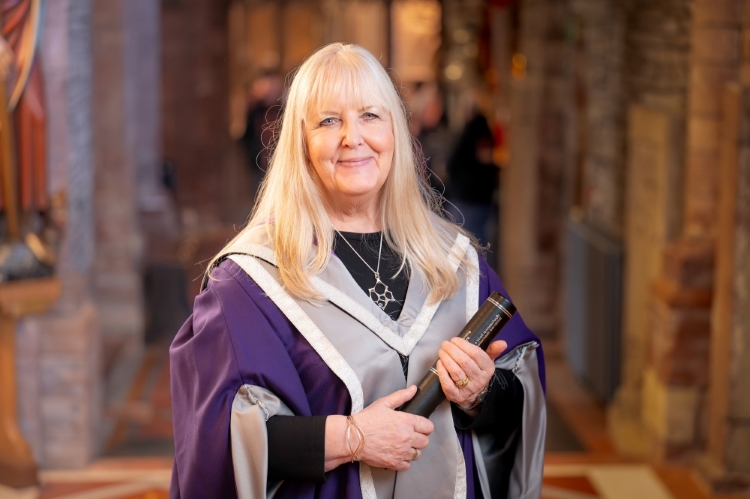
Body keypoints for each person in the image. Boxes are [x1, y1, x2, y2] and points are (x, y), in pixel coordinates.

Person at [170, 43, 546, 499]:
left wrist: (481, 394)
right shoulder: (250, 285)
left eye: (371, 115)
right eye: (329, 121)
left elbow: (518, 402)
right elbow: (216, 445)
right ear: (301, 143)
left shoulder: (457, 262)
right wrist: (351, 439)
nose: (353, 137)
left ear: (397, 132)